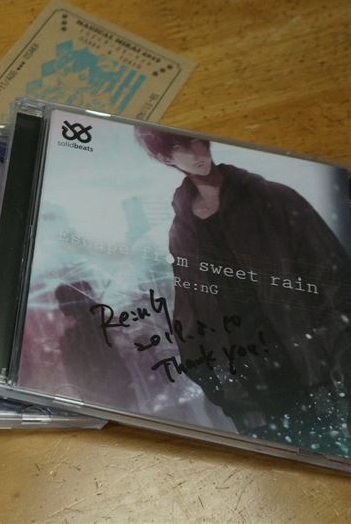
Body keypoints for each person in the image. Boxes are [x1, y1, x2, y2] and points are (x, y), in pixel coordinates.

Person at [135, 127, 351, 456]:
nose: (196, 152)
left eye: (197, 141)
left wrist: (339, 363)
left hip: (313, 377)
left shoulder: (274, 198)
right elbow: (189, 317)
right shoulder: (182, 232)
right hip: (253, 398)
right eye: (180, 146)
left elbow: (336, 280)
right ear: (166, 157)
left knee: (332, 462)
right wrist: (217, 386)